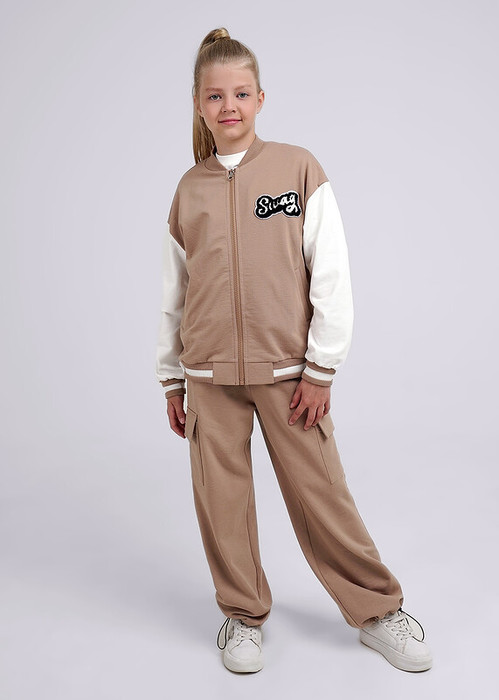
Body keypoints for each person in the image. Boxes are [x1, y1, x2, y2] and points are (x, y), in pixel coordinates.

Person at [155, 27, 432, 674]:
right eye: (215, 95)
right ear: (198, 104)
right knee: (221, 503)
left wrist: (321, 367)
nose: (229, 105)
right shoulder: (189, 189)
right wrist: (172, 378)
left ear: (260, 99)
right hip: (208, 374)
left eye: (241, 93)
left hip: (290, 373)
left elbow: (330, 273)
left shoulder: (297, 168)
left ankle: (377, 611)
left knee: (321, 495)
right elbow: (175, 292)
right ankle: (242, 615)